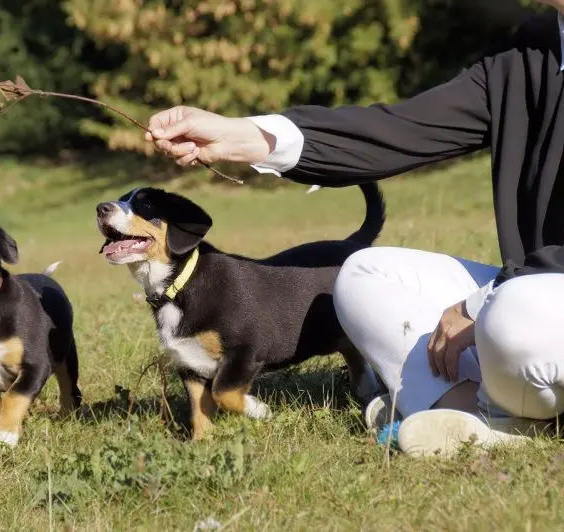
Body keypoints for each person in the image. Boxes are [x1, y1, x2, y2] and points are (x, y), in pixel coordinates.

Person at [144, 2, 564, 456]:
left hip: (531, 297)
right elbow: (403, 130)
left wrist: (483, 302)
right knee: (360, 275)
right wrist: (243, 136)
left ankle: (480, 398)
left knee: (513, 313)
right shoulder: (537, 47)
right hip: (534, 293)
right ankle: (480, 417)